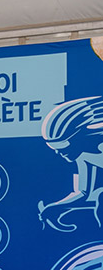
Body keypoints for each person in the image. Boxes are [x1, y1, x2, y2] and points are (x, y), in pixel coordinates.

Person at [38, 96, 103, 232]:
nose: (58, 152)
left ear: (78, 137)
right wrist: (56, 207)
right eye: (53, 147)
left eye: (62, 146)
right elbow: (83, 193)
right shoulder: (83, 156)